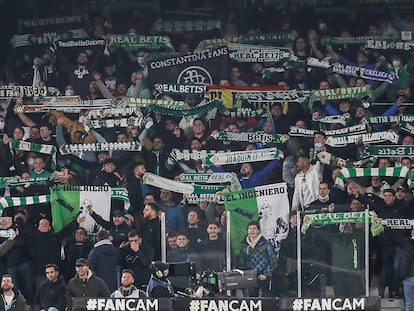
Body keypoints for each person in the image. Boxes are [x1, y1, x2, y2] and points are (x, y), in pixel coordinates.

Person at [238, 221, 277, 297]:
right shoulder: (244, 246)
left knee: (264, 302)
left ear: (258, 230)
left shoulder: (266, 244)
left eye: (254, 228)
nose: (252, 231)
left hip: (263, 276)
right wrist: (244, 274)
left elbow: (273, 261)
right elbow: (241, 262)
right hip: (249, 277)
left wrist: (266, 274)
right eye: (250, 229)